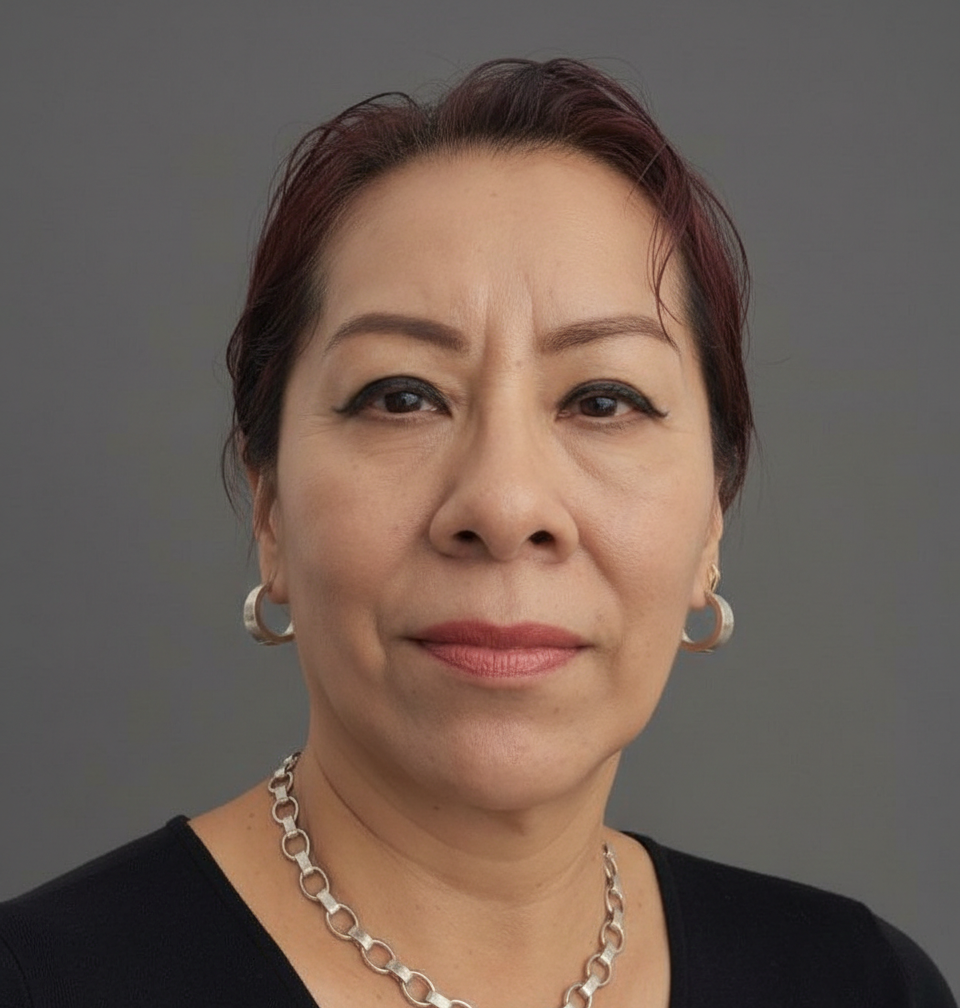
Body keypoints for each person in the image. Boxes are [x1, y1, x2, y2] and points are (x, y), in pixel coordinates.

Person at [0, 57, 954, 1008]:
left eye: (603, 400)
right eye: (402, 397)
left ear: (713, 518)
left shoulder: (865, 985)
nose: (504, 506)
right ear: (271, 508)